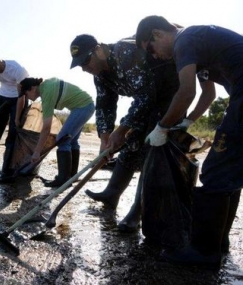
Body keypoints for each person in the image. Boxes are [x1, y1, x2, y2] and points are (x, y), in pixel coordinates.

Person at [135, 15, 243, 269]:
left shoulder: (185, 40)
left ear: (158, 34)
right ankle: (218, 241)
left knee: (216, 171)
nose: (155, 56)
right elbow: (208, 94)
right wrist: (186, 122)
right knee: (230, 170)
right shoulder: (199, 45)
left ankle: (204, 252)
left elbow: (186, 92)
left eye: (151, 49)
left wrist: (161, 128)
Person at [69, 34, 180, 232]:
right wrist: (105, 135)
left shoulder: (125, 53)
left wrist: (122, 130)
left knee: (150, 152)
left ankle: (137, 212)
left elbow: (146, 95)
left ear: (99, 50)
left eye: (86, 61)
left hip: (168, 98)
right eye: (80, 65)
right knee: (131, 145)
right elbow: (104, 104)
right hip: (146, 102)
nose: (84, 68)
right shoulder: (100, 74)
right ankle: (111, 193)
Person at [18, 77, 95, 187]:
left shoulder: (46, 94)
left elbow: (46, 128)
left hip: (83, 107)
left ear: (32, 89)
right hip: (86, 105)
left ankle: (63, 179)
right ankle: (71, 176)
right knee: (71, 141)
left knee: (62, 140)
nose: (27, 97)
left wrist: (37, 151)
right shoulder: (46, 86)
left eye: (26, 94)